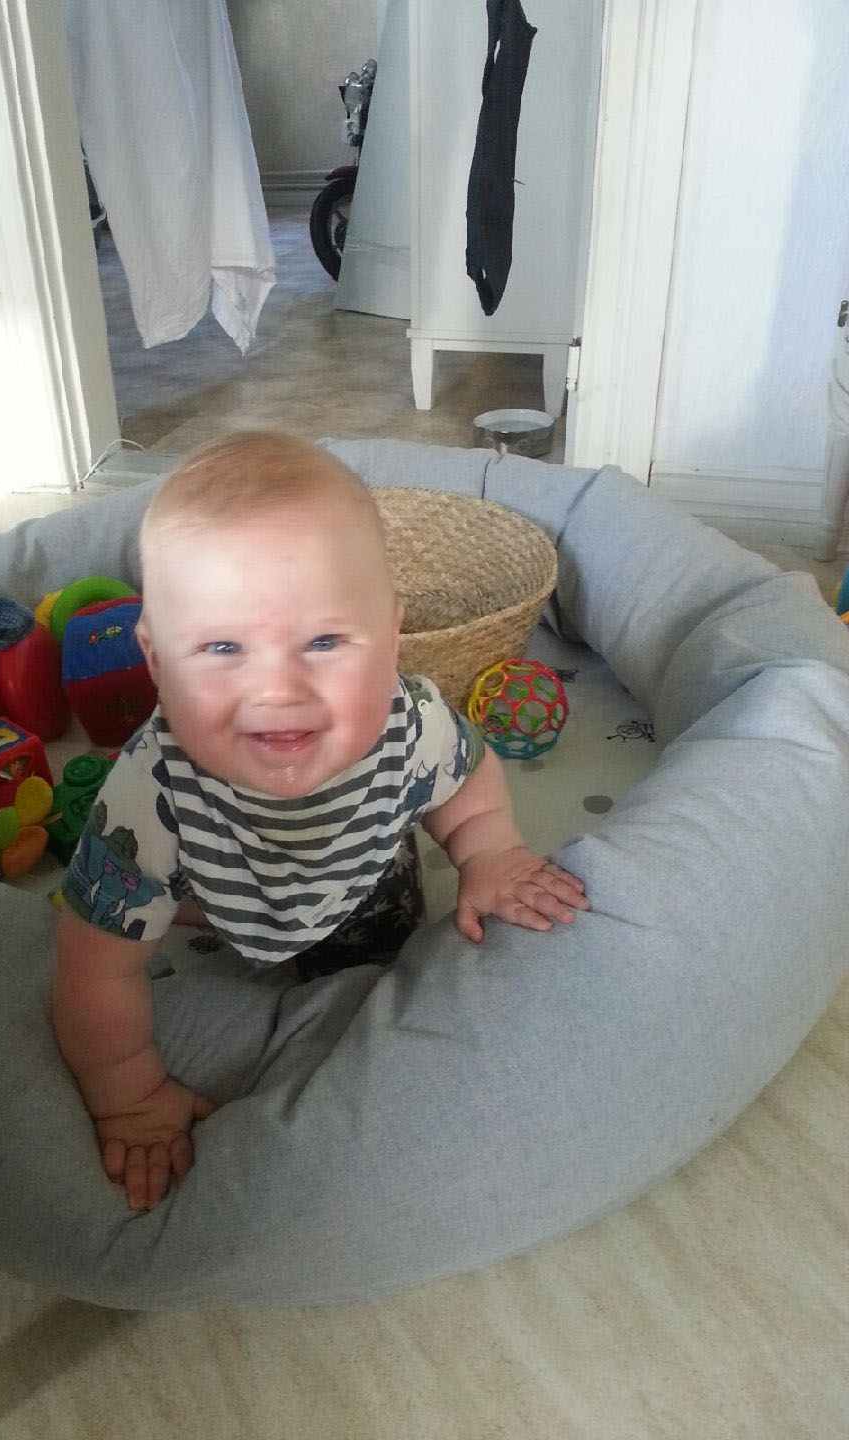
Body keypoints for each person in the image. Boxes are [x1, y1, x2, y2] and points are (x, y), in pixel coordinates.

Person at [53, 431, 589, 1211]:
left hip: (367, 877)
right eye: (223, 646)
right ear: (157, 661)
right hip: (219, 894)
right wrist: (130, 1098)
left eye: (326, 640)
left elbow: (467, 780)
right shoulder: (149, 795)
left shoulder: (409, 723)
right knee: (132, 909)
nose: (279, 691)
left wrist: (490, 852)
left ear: (393, 635)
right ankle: (200, 906)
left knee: (389, 984)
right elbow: (93, 973)